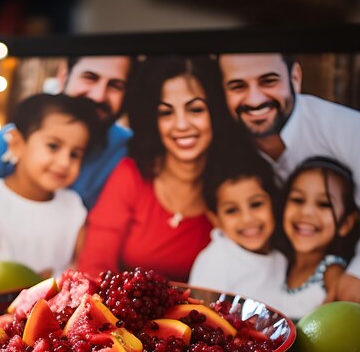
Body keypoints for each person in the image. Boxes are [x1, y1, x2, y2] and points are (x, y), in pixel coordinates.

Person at [218, 52, 360, 310]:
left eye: (269, 81)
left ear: (295, 78)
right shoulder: (221, 140)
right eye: (237, 86)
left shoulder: (353, 130)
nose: (254, 99)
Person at [0, 55, 133, 281]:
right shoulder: (17, 135)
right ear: (64, 75)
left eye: (115, 86)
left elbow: (82, 261)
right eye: (90, 77)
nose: (98, 94)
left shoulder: (128, 149)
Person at [77, 55, 251, 282]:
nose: (181, 125)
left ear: (216, 112)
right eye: (166, 112)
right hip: (125, 314)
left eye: (195, 110)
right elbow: (94, 267)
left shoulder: (236, 184)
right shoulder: (132, 174)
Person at [0, 93, 101, 280]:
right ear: (17, 143)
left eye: (75, 154)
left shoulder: (73, 206)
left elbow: (82, 268)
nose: (64, 162)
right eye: (53, 146)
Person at [189, 146, 288, 307]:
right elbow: (202, 316)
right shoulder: (214, 261)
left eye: (256, 204)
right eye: (232, 210)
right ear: (216, 219)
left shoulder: (282, 258)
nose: (247, 219)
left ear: (274, 204)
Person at [277, 156, 360, 318]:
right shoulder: (280, 265)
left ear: (346, 223)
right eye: (297, 199)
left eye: (324, 204)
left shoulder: (331, 271)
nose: (306, 212)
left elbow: (344, 318)